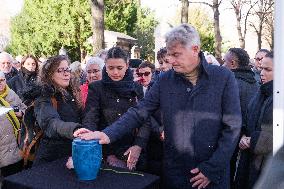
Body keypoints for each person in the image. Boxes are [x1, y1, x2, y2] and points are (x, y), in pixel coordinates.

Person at [75, 24, 242, 189]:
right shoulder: (164, 80)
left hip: (211, 173)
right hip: (175, 172)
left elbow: (232, 127)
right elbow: (140, 111)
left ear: (195, 49)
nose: (170, 60)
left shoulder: (223, 77)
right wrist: (107, 134)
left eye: (176, 54)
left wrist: (212, 168)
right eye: (169, 55)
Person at [82, 47, 150, 171]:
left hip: (132, 149)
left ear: (127, 65)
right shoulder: (96, 88)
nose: (115, 73)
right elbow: (90, 120)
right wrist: (105, 152)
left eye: (119, 68)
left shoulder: (136, 88)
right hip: (104, 148)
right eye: (110, 68)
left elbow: (145, 119)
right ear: (105, 66)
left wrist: (138, 145)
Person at [32, 55, 87, 166]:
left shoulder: (73, 93)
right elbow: (50, 123)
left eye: (67, 69)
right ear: (50, 75)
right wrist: (74, 129)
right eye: (60, 70)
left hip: (70, 155)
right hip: (50, 159)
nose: (66, 73)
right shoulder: (44, 96)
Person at [235, 52, 273, 189]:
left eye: (268, 70)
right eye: (261, 68)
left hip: (268, 165)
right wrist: (243, 135)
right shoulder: (261, 92)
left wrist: (253, 140)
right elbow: (248, 118)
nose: (262, 73)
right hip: (249, 160)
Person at [223, 48, 259, 188]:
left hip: (231, 136)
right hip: (246, 137)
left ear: (232, 63)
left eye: (225, 62)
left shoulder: (231, 83)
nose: (222, 65)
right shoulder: (255, 83)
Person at [0, 71, 27, 177]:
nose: (0, 83)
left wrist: (21, 113)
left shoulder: (11, 93)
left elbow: (24, 109)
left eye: (2, 80)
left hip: (15, 149)